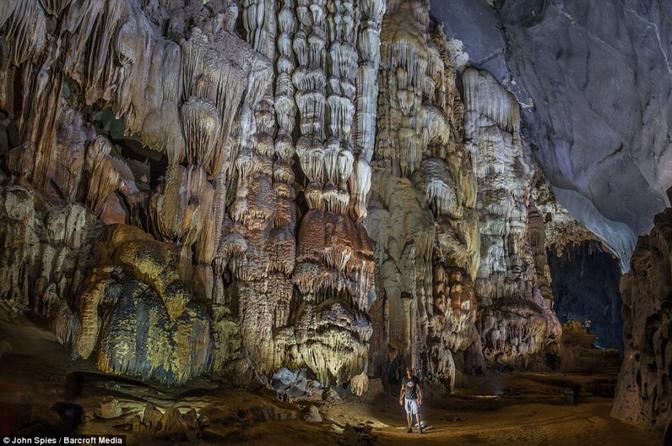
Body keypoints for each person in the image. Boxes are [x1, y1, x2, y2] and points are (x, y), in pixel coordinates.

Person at [399, 367, 423, 433]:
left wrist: (421, 397)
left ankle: (419, 428)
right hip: (407, 399)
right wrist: (400, 398)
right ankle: (409, 427)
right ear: (406, 372)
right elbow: (402, 389)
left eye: (410, 371)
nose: (409, 372)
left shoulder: (415, 379)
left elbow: (419, 389)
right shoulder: (404, 379)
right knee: (408, 413)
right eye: (408, 371)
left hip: (414, 399)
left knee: (417, 413)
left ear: (412, 372)